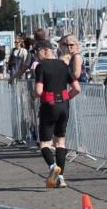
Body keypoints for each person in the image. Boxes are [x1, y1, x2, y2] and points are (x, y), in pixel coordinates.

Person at [34, 41, 80, 188]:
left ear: (46, 51)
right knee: (60, 142)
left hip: (49, 106)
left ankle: (53, 167)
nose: (37, 56)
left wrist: (32, 95)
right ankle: (60, 178)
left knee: (45, 144)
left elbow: (39, 91)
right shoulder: (64, 65)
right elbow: (77, 88)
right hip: (64, 106)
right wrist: (65, 99)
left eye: (38, 52)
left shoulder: (41, 67)